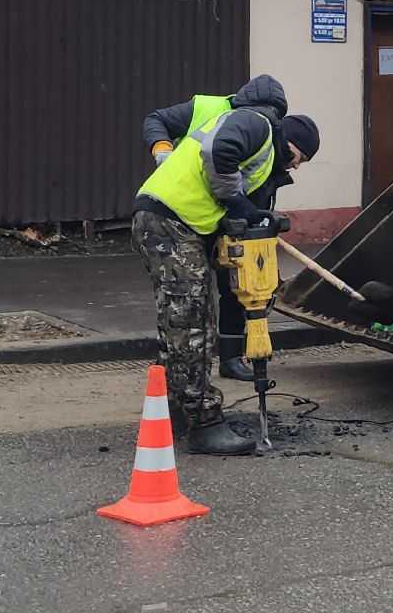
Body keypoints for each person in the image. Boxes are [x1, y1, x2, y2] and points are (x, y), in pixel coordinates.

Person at [133, 81, 320, 455]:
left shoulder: (259, 140)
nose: (298, 165)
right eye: (302, 156)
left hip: (169, 222)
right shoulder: (260, 124)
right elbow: (220, 151)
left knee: (181, 324)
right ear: (292, 141)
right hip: (170, 222)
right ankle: (204, 423)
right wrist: (236, 202)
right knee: (193, 325)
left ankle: (172, 412)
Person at [143, 76, 292, 382]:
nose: (295, 164)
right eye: (299, 156)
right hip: (179, 212)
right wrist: (162, 151)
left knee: (198, 308)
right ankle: (191, 406)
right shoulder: (249, 120)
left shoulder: (256, 127)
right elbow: (213, 147)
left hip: (200, 217)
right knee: (188, 315)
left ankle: (205, 375)